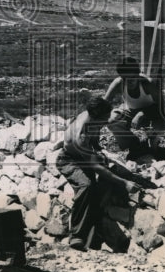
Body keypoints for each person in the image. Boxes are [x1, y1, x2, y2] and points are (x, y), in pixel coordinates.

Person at [56, 95, 140, 251]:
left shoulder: (91, 116)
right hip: (69, 161)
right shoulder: (81, 135)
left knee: (100, 189)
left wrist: (99, 150)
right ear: (96, 117)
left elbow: (94, 139)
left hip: (85, 156)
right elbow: (96, 167)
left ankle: (96, 234)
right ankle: (77, 236)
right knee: (86, 186)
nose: (107, 121)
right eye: (104, 118)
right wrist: (124, 183)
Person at [103, 57, 165, 159]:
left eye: (133, 77)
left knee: (159, 130)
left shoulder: (147, 83)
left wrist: (143, 113)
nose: (130, 81)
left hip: (152, 114)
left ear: (138, 74)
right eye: (125, 78)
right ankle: (132, 144)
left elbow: (164, 108)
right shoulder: (118, 82)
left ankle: (153, 142)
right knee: (112, 120)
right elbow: (103, 104)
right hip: (130, 111)